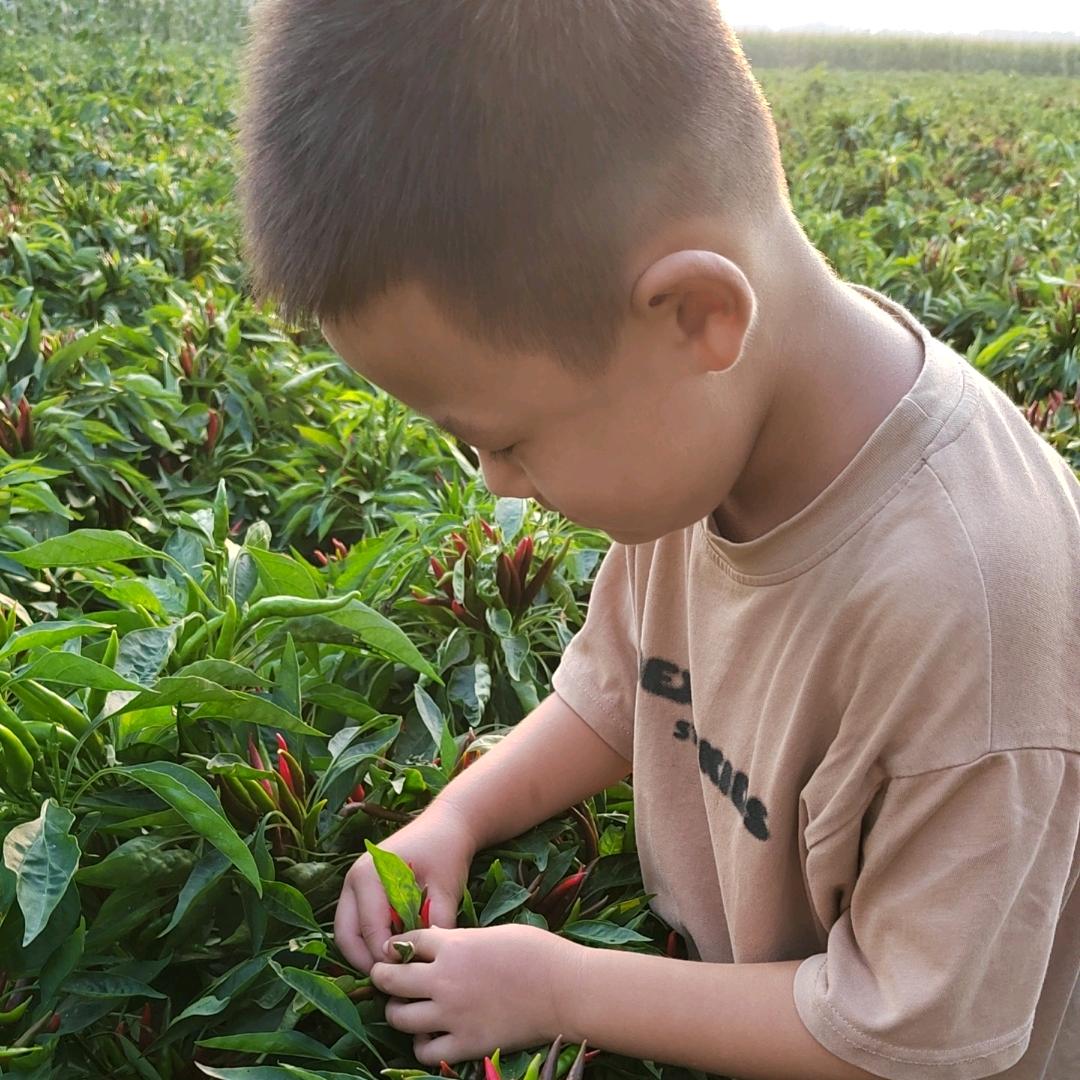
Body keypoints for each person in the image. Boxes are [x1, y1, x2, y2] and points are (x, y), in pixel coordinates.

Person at [235, 2, 1079, 1077]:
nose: (499, 488)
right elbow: (623, 689)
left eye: (505, 440)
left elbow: (905, 1033)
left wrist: (562, 986)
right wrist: (454, 820)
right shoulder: (701, 435)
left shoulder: (972, 602)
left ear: (694, 315)